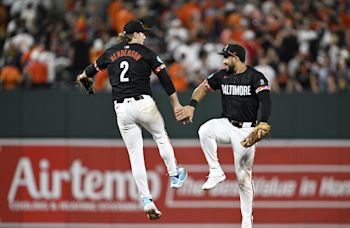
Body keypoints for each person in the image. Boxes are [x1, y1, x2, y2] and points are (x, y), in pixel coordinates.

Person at [76, 20, 188, 220]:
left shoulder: (110, 52)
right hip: (144, 103)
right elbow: (165, 79)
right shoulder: (147, 53)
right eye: (142, 33)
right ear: (135, 34)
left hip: (122, 108)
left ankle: (146, 199)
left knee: (135, 155)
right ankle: (174, 175)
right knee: (161, 137)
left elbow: (85, 75)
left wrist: (85, 81)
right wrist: (176, 105)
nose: (145, 36)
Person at [176, 44, 272, 228]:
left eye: (226, 57)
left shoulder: (255, 77)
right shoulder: (223, 75)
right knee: (205, 130)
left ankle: (246, 219)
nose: (223, 60)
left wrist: (264, 121)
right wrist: (191, 105)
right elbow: (202, 88)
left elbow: (265, 100)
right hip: (227, 123)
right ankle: (215, 171)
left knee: (243, 176)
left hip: (246, 130)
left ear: (235, 57)